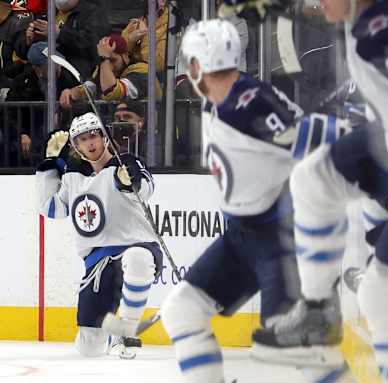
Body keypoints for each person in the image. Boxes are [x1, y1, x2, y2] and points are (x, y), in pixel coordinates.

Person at [231, 0, 388, 382]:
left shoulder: (381, 35)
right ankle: (317, 312)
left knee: (382, 296)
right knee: (312, 178)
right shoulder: (369, 15)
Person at [155, 18, 360, 383]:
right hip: (242, 236)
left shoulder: (248, 105)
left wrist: (359, 131)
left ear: (198, 66)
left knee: (300, 352)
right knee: (183, 310)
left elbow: (309, 137)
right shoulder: (218, 101)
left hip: (279, 241)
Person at [36, 112, 163, 359]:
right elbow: (51, 208)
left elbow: (146, 188)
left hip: (137, 246)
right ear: (75, 145)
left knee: (137, 258)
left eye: (94, 135)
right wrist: (50, 163)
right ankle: (107, 336)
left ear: (104, 137)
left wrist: (130, 181)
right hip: (98, 263)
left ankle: (126, 330)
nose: (90, 142)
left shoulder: (124, 163)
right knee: (89, 348)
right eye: (83, 139)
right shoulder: (73, 177)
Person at [59, 33, 162, 109]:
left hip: (149, 129)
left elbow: (112, 93)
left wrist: (104, 59)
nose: (110, 67)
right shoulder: (103, 66)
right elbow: (90, 88)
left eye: (112, 60)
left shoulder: (142, 70)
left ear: (126, 56)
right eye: (105, 60)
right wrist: (72, 93)